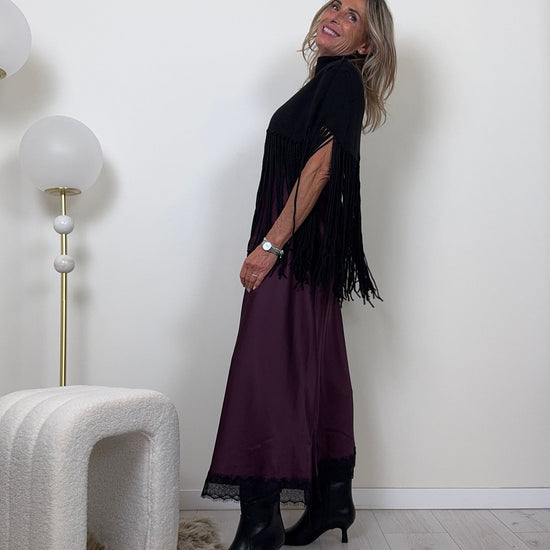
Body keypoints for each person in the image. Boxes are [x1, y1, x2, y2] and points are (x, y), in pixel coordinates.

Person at [202, 1, 397, 548]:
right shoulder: (328, 82)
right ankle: (332, 499)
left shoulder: (343, 81)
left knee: (264, 376)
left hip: (293, 250)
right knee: (317, 365)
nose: (336, 14)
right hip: (309, 254)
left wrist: (270, 246)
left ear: (366, 44)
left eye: (354, 16)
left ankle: (260, 522)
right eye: (335, 4)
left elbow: (321, 168)